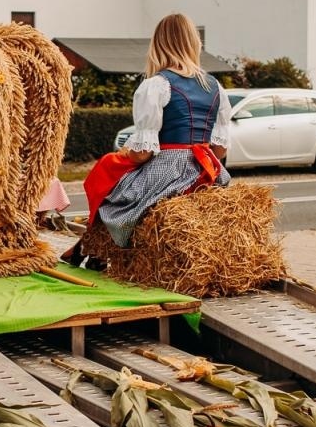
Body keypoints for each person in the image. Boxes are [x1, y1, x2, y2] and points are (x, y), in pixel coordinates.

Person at [72, 13, 232, 259]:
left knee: (106, 174)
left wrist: (126, 153)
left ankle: (97, 248)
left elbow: (143, 154)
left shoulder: (157, 85)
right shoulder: (216, 87)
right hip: (208, 171)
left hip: (169, 170)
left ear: (159, 44)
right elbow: (219, 151)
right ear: (194, 42)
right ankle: (91, 247)